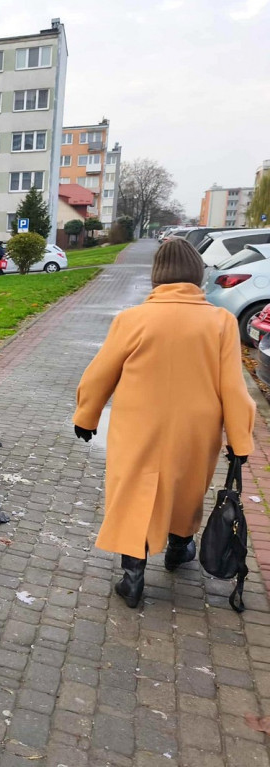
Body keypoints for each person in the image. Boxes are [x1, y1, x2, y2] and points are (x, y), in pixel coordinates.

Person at [73, 239, 255, 608]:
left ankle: (133, 575)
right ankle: (178, 548)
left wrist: (87, 416)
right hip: (197, 428)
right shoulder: (220, 321)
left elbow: (99, 375)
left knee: (134, 492)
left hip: (138, 425)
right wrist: (240, 440)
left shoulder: (132, 319)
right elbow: (233, 387)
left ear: (157, 278)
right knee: (185, 488)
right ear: (197, 276)